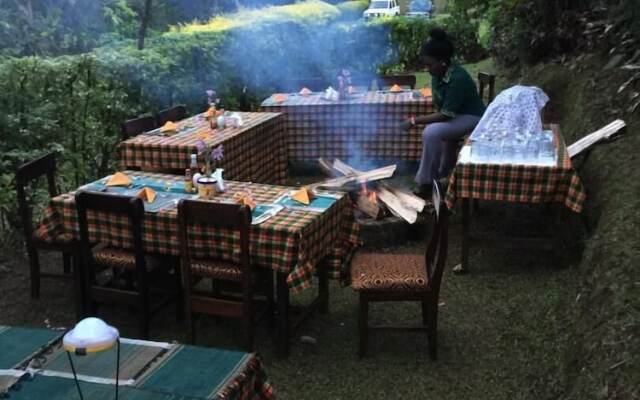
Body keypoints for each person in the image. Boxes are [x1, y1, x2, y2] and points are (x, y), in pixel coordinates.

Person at [401, 28, 486, 196]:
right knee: (438, 133)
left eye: (429, 64)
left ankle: (425, 183)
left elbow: (446, 114)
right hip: (457, 115)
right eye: (425, 64)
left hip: (472, 117)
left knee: (431, 132)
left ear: (443, 62)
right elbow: (442, 107)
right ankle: (441, 176)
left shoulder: (457, 78)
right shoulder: (437, 75)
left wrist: (413, 121)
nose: (427, 69)